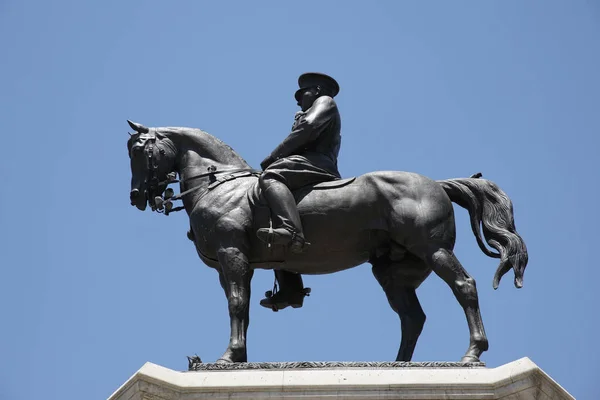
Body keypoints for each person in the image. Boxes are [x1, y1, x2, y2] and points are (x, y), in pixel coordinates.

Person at [257, 72, 342, 311]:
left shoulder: (325, 102)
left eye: (300, 94)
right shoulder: (310, 108)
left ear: (315, 90)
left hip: (316, 164)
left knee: (271, 176)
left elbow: (308, 128)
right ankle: (291, 289)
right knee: (269, 208)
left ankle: (292, 232)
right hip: (305, 163)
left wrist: (274, 156)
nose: (297, 100)